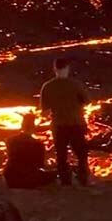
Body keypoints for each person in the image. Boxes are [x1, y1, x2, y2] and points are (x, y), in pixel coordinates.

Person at [39, 57, 91, 186]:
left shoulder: (47, 86)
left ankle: (65, 181)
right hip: (76, 123)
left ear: (55, 69)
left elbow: (44, 110)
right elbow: (87, 101)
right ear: (67, 68)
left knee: (61, 155)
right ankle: (83, 179)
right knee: (81, 154)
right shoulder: (76, 84)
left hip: (58, 125)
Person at [3, 113, 55, 189]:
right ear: (34, 127)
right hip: (28, 178)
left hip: (10, 178)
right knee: (54, 175)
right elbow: (40, 164)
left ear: (22, 125)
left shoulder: (10, 140)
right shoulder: (38, 144)